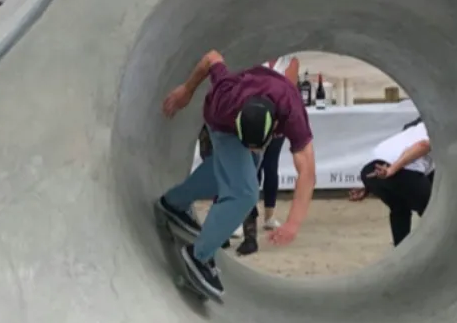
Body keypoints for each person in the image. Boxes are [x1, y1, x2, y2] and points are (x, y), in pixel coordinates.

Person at [155, 50, 315, 299]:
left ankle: (173, 203)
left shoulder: (292, 111)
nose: (252, 151)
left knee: (232, 172)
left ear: (275, 128)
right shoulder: (227, 94)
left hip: (258, 108)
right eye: (249, 145)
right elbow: (211, 57)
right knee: (244, 192)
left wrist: (293, 223)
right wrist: (187, 90)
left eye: (257, 146)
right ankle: (198, 256)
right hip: (221, 122)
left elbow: (307, 171)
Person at [235, 53, 301, 257]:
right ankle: (243, 220)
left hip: (277, 122)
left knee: (271, 167)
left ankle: (269, 216)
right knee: (251, 171)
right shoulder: (256, 56)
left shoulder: (290, 61)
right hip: (256, 119)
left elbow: (289, 90)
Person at [347, 118, 434, 246]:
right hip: (398, 171)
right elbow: (423, 146)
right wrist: (391, 170)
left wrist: (369, 187)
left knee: (400, 208)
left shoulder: (410, 132)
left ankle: (401, 251)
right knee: (434, 209)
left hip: (370, 170)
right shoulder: (434, 129)